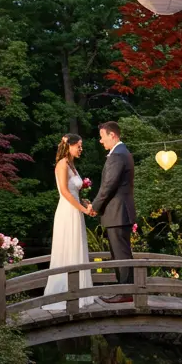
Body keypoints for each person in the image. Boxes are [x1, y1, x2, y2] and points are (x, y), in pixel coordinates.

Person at [43, 134, 96, 310]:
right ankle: (64, 294)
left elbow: (74, 192)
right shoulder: (62, 164)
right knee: (68, 247)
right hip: (67, 211)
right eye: (78, 146)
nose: (81, 149)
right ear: (69, 146)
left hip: (76, 210)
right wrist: (83, 209)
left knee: (77, 247)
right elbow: (65, 192)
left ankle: (80, 292)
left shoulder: (72, 165)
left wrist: (85, 204)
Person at [89, 121, 137, 303]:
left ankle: (126, 293)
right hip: (120, 212)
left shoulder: (117, 155)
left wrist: (94, 207)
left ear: (112, 135)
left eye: (102, 137)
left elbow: (108, 185)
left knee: (120, 254)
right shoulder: (123, 153)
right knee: (121, 253)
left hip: (118, 212)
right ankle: (125, 291)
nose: (101, 141)